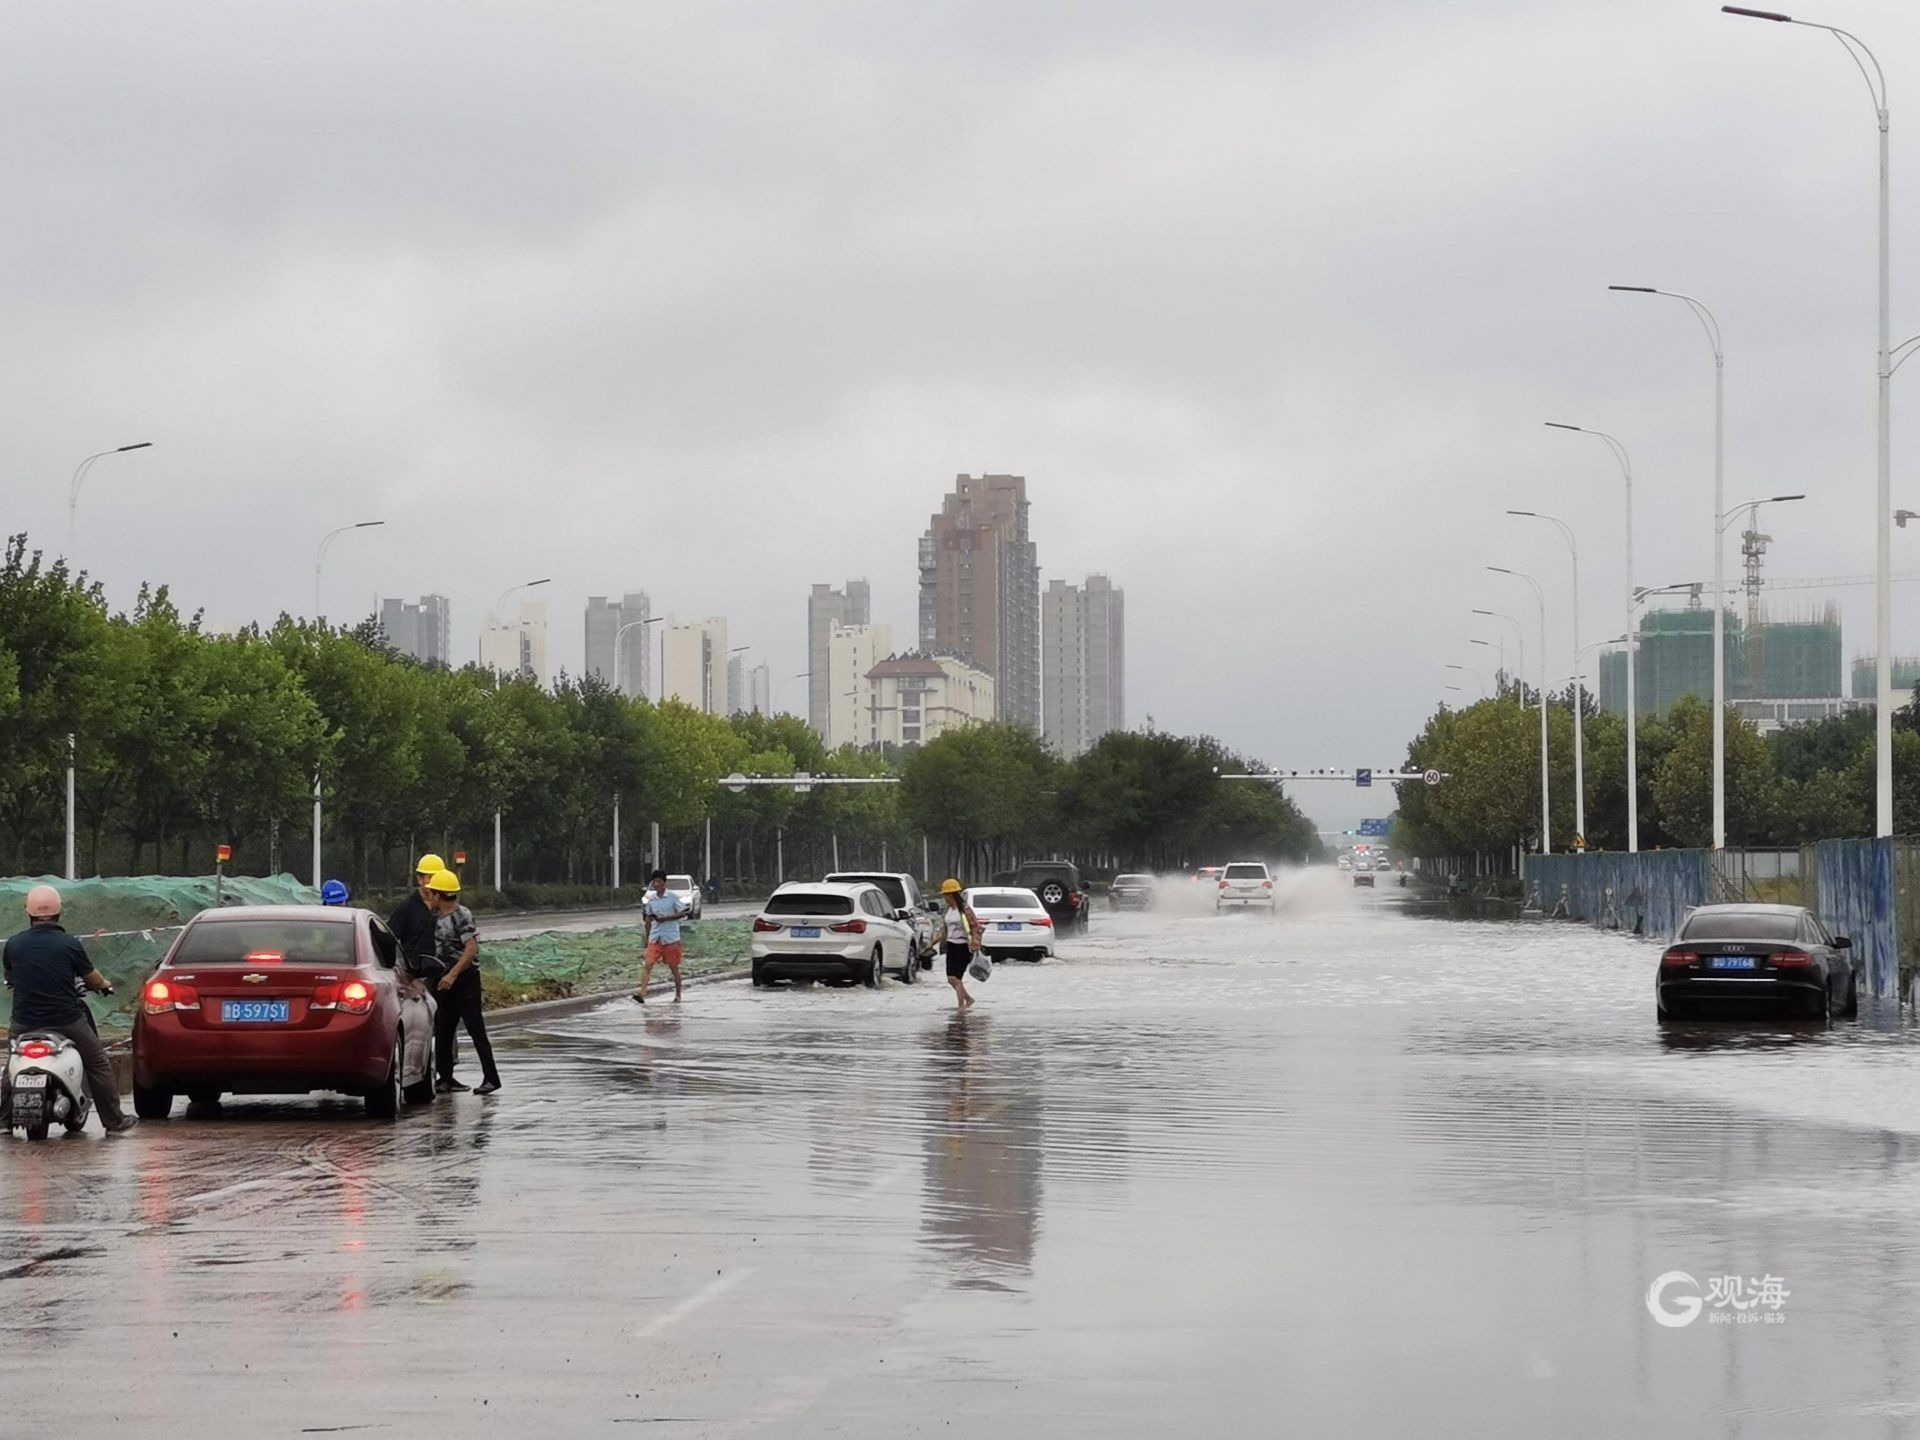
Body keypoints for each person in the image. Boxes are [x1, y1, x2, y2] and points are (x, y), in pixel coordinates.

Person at [2, 885, 137, 1134]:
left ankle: (3, 1120)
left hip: (24, 1021)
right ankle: (114, 1121)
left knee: (13, 1062)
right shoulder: (69, 944)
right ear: (58, 911)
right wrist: (105, 985)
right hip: (67, 1020)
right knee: (98, 1063)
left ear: (28, 911)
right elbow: (93, 979)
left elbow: (9, 976)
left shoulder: (13, 944)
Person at [425, 869, 499, 1095]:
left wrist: (452, 975)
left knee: (476, 1029)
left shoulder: (461, 915)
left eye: (432, 893)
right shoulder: (434, 917)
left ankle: (491, 1078)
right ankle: (445, 1078)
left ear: (439, 895)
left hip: (464, 981)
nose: (429, 897)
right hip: (443, 980)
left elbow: (471, 949)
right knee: (444, 1030)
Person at [635, 869, 687, 1004]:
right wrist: (647, 937)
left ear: (664, 882)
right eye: (654, 881)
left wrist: (667, 918)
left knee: (673, 968)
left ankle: (678, 995)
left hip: (671, 938)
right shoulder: (651, 900)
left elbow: (682, 913)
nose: (657, 884)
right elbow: (648, 918)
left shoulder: (673, 897)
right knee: (648, 965)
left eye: (659, 881)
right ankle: (642, 993)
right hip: (655, 937)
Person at [937, 878, 981, 1011]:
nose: (944, 897)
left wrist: (975, 943)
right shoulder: (948, 910)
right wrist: (934, 943)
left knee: (955, 978)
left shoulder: (965, 910)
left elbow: (976, 927)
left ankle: (961, 1007)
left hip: (963, 947)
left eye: (945, 895)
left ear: (951, 895)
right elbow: (944, 929)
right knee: (951, 979)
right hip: (951, 946)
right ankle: (968, 999)